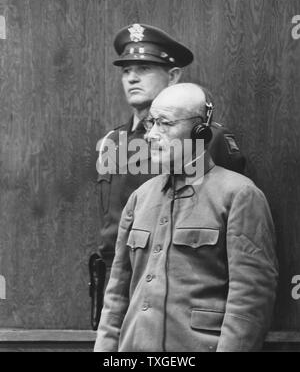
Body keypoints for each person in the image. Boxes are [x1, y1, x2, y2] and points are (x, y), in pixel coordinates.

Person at [94, 83, 278, 352]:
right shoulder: (140, 198)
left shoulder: (239, 195)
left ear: (199, 131)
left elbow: (249, 301)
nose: (151, 135)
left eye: (164, 124)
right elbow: (116, 297)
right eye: (150, 124)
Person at [91, 24, 246, 329]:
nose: (132, 77)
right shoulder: (113, 142)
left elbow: (230, 230)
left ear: (173, 76)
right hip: (121, 298)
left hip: (182, 307)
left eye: (144, 68)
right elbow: (110, 229)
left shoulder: (208, 138)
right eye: (126, 71)